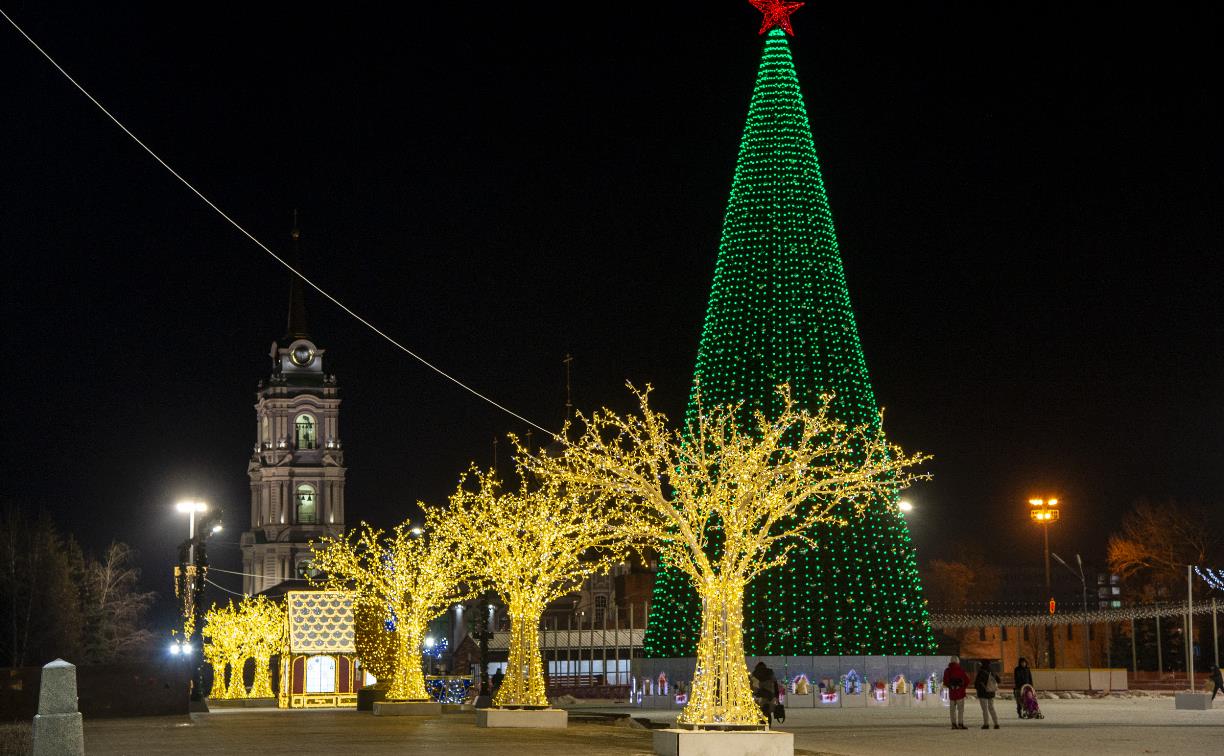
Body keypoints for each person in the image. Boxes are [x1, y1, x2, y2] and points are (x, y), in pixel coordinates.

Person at [942, 657, 970, 730]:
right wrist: (962, 687)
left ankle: (953, 724)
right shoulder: (961, 670)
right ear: (958, 662)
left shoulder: (947, 671)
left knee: (952, 710)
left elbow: (945, 681)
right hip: (960, 693)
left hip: (952, 694)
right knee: (960, 710)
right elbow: (967, 680)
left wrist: (951, 687)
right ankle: (960, 724)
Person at [750, 661, 779, 726]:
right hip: (769, 696)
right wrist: (777, 696)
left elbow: (751, 685)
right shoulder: (770, 673)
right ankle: (768, 725)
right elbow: (775, 685)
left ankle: (762, 725)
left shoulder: (754, 674)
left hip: (759, 695)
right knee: (767, 712)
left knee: (760, 712)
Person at [974, 660, 1001, 729]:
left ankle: (986, 724)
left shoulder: (981, 672)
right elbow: (999, 680)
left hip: (983, 693)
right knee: (991, 708)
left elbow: (976, 684)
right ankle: (996, 723)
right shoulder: (992, 672)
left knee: (985, 709)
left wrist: (979, 688)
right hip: (991, 693)